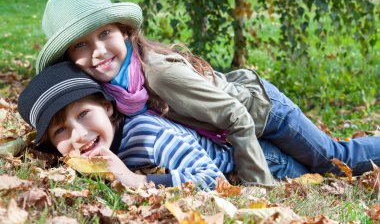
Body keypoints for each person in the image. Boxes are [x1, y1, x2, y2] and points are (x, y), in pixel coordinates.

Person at [35, 0, 380, 186]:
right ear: (68, 55)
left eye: (105, 34)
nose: (97, 51)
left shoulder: (158, 75)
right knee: (307, 173)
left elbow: (237, 117)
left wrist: (254, 188)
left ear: (125, 31)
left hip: (260, 113)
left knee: (333, 160)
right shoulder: (107, 84)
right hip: (222, 129)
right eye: (80, 44)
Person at [18, 61, 309, 190]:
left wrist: (138, 181)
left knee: (331, 165)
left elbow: (211, 178)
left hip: (260, 158)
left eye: (83, 114)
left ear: (107, 107)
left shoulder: (146, 133)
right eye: (60, 131)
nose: (79, 135)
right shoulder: (83, 154)